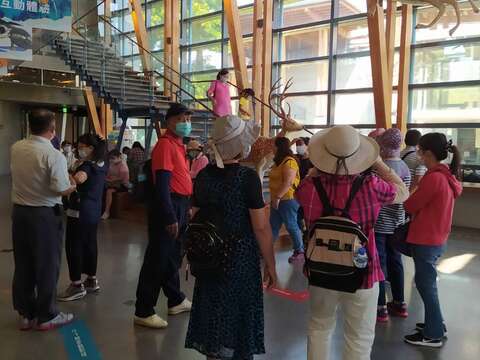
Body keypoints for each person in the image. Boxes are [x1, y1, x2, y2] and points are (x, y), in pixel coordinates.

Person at [296, 125, 409, 360]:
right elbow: (402, 191)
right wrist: (378, 163)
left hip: (320, 269)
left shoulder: (309, 188)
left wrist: (317, 168)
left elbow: (303, 186)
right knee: (358, 337)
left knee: (318, 329)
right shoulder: (371, 186)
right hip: (363, 272)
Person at [185, 115, 277, 360]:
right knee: (238, 320)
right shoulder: (246, 178)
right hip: (239, 259)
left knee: (214, 313)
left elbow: (195, 212)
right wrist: (271, 264)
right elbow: (261, 228)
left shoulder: (204, 175)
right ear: (241, 145)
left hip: (209, 257)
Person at [10, 109, 76, 331]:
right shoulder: (53, 155)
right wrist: (74, 185)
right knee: (47, 265)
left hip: (20, 214)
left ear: (30, 126)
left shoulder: (16, 147)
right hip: (44, 216)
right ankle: (47, 315)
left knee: (24, 264)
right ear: (52, 128)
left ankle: (26, 313)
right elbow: (59, 188)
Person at [134, 103, 194, 329]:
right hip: (167, 206)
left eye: (188, 119)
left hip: (180, 203)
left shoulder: (179, 145)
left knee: (172, 257)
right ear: (169, 121)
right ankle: (143, 309)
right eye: (181, 119)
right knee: (157, 259)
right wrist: (170, 216)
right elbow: (162, 186)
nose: (185, 123)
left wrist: (187, 205)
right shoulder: (165, 146)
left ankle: (175, 299)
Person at [403, 133, 462, 348]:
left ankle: (433, 334)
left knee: (426, 285)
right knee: (427, 284)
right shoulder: (445, 175)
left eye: (419, 150)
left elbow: (410, 205)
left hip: (426, 238)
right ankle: (435, 323)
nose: (417, 153)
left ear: (427, 152)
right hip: (437, 237)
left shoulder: (434, 177)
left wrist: (412, 191)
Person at [57, 134, 107, 302]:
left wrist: (67, 177)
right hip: (93, 211)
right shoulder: (101, 163)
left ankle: (76, 285)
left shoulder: (86, 166)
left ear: (91, 149)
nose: (79, 149)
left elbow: (79, 179)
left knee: (74, 246)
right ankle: (91, 279)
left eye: (81, 146)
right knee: (90, 244)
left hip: (79, 211)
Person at [374, 128, 411, 323]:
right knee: (396, 262)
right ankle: (400, 302)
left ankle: (380, 307)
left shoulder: (378, 168)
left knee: (379, 264)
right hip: (397, 222)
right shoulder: (404, 167)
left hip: (379, 223)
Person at [269, 137, 304, 263]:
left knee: (291, 225)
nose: (271, 147)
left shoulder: (290, 162)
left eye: (273, 145)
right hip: (276, 199)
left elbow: (288, 182)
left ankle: (299, 251)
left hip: (287, 199)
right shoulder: (278, 162)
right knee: (273, 226)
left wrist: (278, 197)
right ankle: (266, 250)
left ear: (279, 147)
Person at [102, 149, 130, 220]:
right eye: (110, 159)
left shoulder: (123, 165)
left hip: (123, 185)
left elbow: (121, 178)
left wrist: (111, 180)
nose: (111, 160)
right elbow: (108, 174)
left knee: (109, 191)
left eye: (113, 158)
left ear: (119, 157)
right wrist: (107, 179)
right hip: (112, 183)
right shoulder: (112, 165)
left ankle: (107, 211)